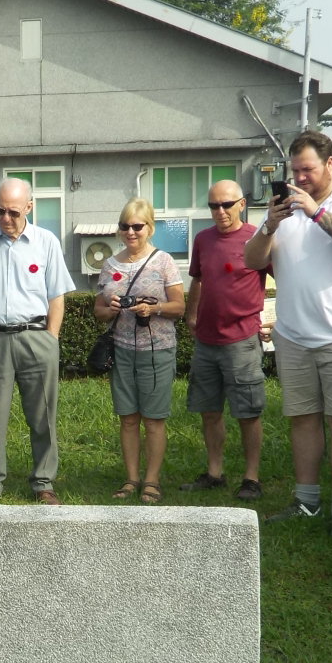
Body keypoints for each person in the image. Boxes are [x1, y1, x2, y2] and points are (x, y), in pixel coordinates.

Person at [245, 131, 332, 540]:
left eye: (307, 170)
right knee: (302, 419)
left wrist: (318, 213)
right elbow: (251, 260)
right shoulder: (284, 210)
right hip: (293, 334)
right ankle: (306, 501)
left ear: (329, 163)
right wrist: (269, 225)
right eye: (295, 171)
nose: (300, 179)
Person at [0, 178, 74, 504]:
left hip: (35, 338)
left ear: (29, 207)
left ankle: (43, 482)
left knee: (43, 415)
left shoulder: (46, 242)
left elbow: (57, 296)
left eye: (12, 211)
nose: (5, 218)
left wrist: (51, 339)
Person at [177, 179, 269, 502]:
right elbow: (198, 279)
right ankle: (214, 472)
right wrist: (191, 315)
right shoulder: (203, 240)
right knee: (209, 409)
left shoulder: (258, 239)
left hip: (242, 339)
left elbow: (281, 279)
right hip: (206, 340)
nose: (219, 212)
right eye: (213, 205)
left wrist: (274, 320)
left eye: (226, 205)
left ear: (241, 204)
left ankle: (252, 477)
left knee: (247, 411)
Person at [93, 198, 184, 503]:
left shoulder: (164, 261)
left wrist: (154, 308)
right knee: (128, 418)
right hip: (122, 350)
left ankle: (152, 481)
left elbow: (179, 307)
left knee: (154, 419)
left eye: (137, 226)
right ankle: (131, 478)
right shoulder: (110, 264)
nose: (130, 232)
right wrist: (113, 309)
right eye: (125, 226)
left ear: (149, 227)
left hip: (157, 349)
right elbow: (99, 309)